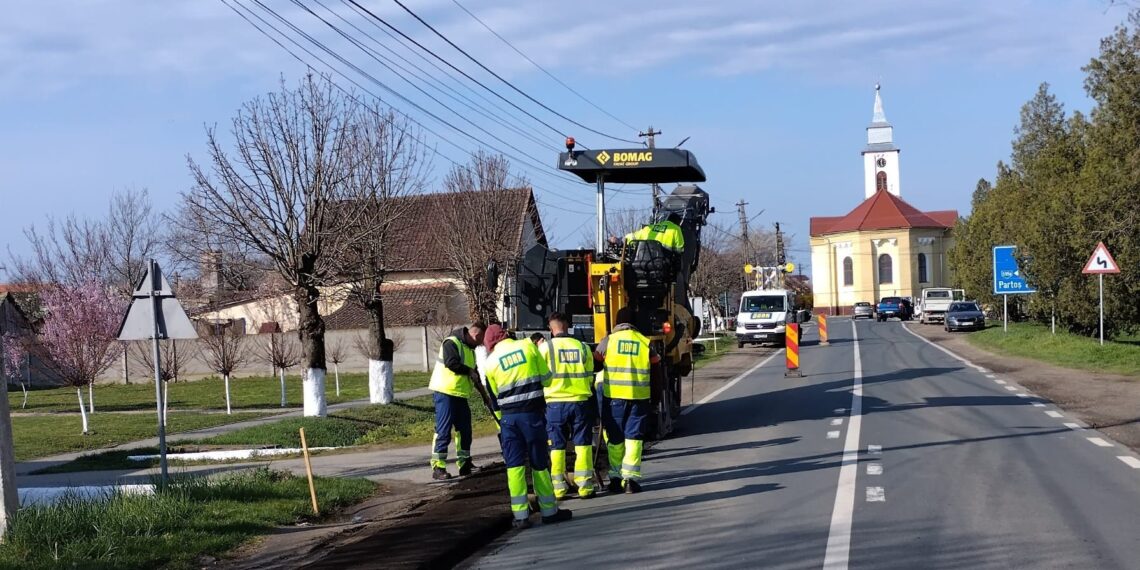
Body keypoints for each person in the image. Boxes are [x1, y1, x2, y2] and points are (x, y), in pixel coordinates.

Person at [482, 324, 573, 529]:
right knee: (539, 464)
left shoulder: (490, 363)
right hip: (532, 416)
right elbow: (547, 379)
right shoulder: (528, 346)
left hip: (509, 421)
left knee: (514, 467)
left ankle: (521, 516)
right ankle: (549, 511)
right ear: (506, 335)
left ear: (490, 345)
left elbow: (495, 397)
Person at [595, 307, 660, 494]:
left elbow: (596, 360)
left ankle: (615, 478)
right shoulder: (644, 342)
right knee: (634, 438)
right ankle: (630, 480)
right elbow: (656, 369)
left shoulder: (610, 340)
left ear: (617, 322)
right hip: (639, 398)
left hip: (614, 397)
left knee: (615, 439)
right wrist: (655, 398)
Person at [541, 312, 597, 499]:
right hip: (580, 401)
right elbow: (590, 376)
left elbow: (539, 376)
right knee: (583, 443)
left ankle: (558, 488)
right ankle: (585, 487)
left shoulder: (545, 348)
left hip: (555, 403)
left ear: (551, 327)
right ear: (568, 326)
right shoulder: (582, 347)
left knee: (557, 445)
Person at [427, 321, 488, 480]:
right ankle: (438, 467)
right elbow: (451, 363)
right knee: (444, 431)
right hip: (445, 393)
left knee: (465, 431)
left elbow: (475, 375)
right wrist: (468, 371)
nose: (482, 344)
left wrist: (485, 396)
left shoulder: (470, 350)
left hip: (460, 395)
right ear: (476, 335)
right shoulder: (451, 342)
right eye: (481, 340)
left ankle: (465, 464)